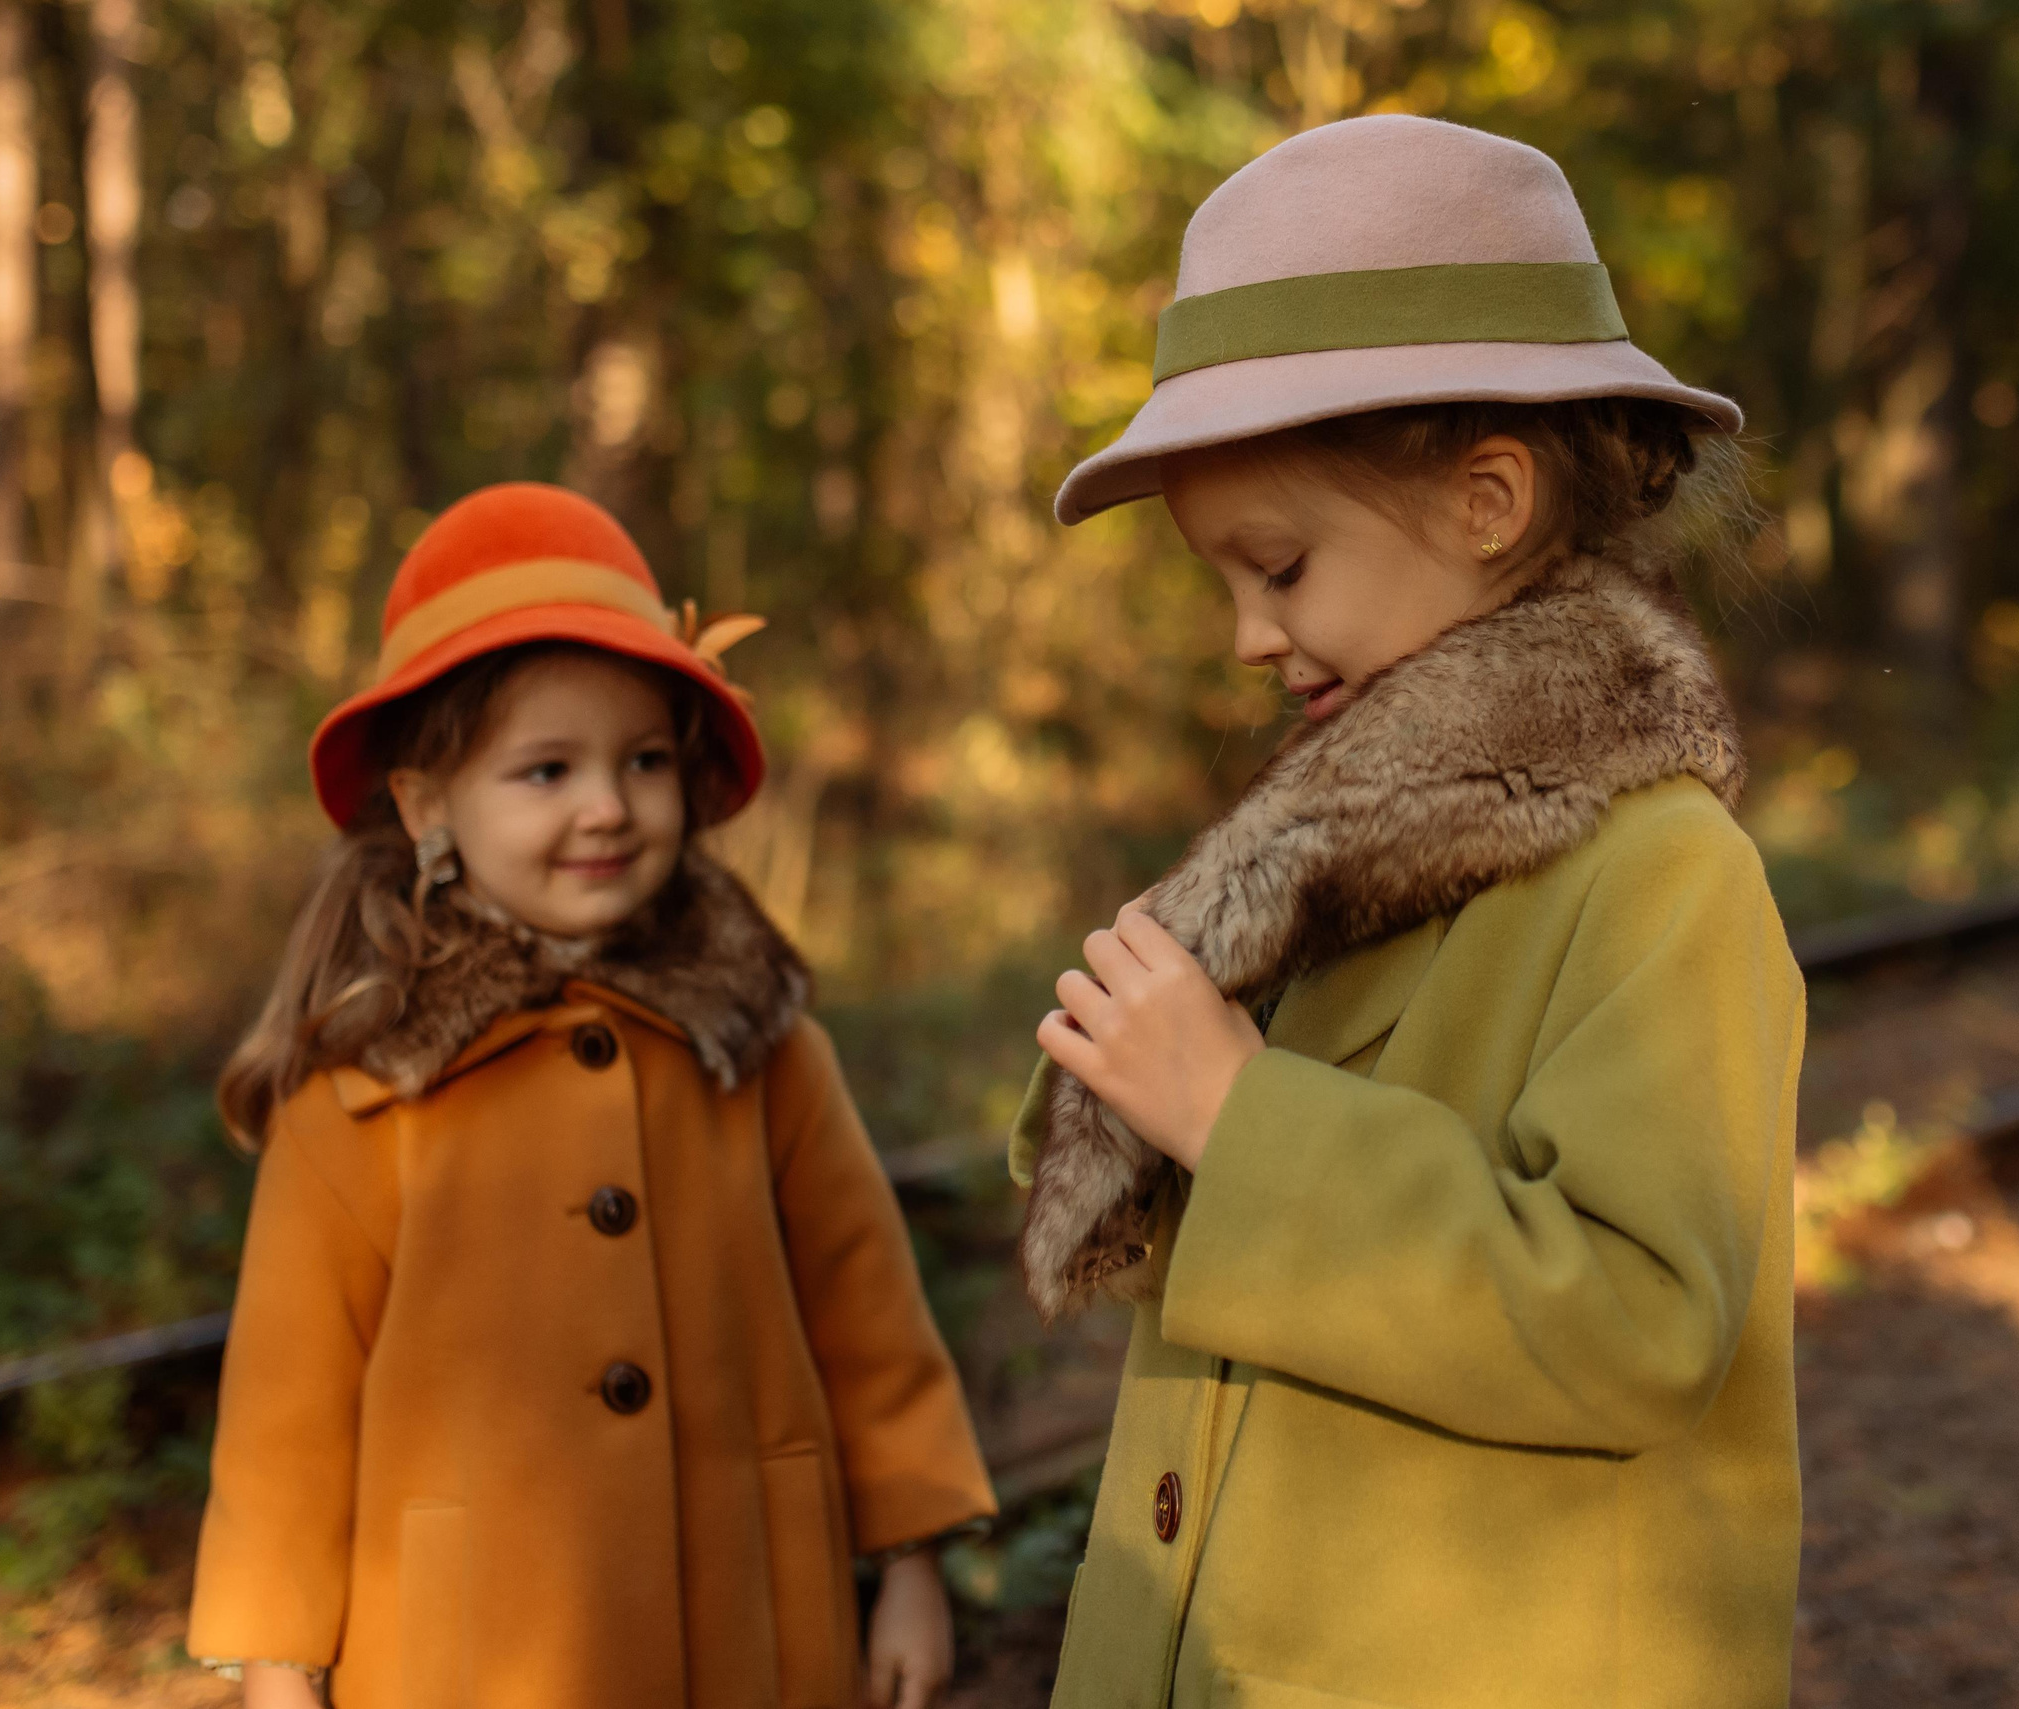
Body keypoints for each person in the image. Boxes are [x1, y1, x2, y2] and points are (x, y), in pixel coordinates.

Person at [1011, 117, 1805, 1708]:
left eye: (1280, 568)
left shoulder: (1660, 875)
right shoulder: (1323, 867)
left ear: (1488, 499)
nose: (1248, 636)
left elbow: (1642, 1320)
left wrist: (1238, 1119)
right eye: (1226, 583)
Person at [189, 483, 995, 1709]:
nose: (608, 806)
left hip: (753, 1637)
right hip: (470, 1662)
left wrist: (914, 1558)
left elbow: (868, 1312)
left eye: (644, 760)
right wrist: (275, 1664)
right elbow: (284, 1418)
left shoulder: (760, 1048)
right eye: (546, 768)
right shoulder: (364, 1095)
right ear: (425, 802)